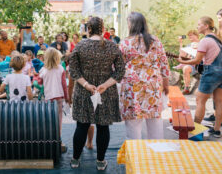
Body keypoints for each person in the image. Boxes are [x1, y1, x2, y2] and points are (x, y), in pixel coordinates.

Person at [69, 17, 125, 170]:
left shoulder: (80, 46)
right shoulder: (112, 46)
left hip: (83, 91)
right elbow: (121, 71)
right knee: (103, 126)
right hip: (105, 92)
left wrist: (86, 84)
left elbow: (73, 70)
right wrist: (105, 85)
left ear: (88, 29)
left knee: (82, 126)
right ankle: (100, 161)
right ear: (103, 29)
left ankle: (75, 160)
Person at [119, 12, 170, 140]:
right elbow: (164, 63)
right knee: (154, 119)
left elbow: (118, 66)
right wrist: (166, 84)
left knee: (133, 121)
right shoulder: (155, 40)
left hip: (132, 85)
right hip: (152, 84)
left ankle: (135, 153)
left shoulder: (125, 42)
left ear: (132, 24)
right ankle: (157, 151)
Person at [177, 16, 222, 137]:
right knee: (219, 102)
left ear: (206, 26)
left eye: (199, 24)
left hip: (211, 72)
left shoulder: (205, 40)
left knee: (200, 100)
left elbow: (197, 60)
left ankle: (195, 130)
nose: (197, 27)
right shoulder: (217, 38)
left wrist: (182, 61)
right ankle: (217, 130)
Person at [40, 48, 69, 137]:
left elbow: (40, 82)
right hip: (59, 96)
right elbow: (64, 84)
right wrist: (67, 96)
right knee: (59, 117)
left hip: (48, 96)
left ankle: (49, 136)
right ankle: (58, 136)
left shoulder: (43, 69)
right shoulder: (60, 68)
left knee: (48, 117)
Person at [178, 30, 200, 94]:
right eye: (188, 36)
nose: (189, 37)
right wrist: (181, 43)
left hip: (201, 65)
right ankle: (186, 88)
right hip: (192, 65)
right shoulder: (189, 45)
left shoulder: (202, 43)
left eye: (191, 35)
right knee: (185, 68)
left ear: (196, 35)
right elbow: (182, 55)